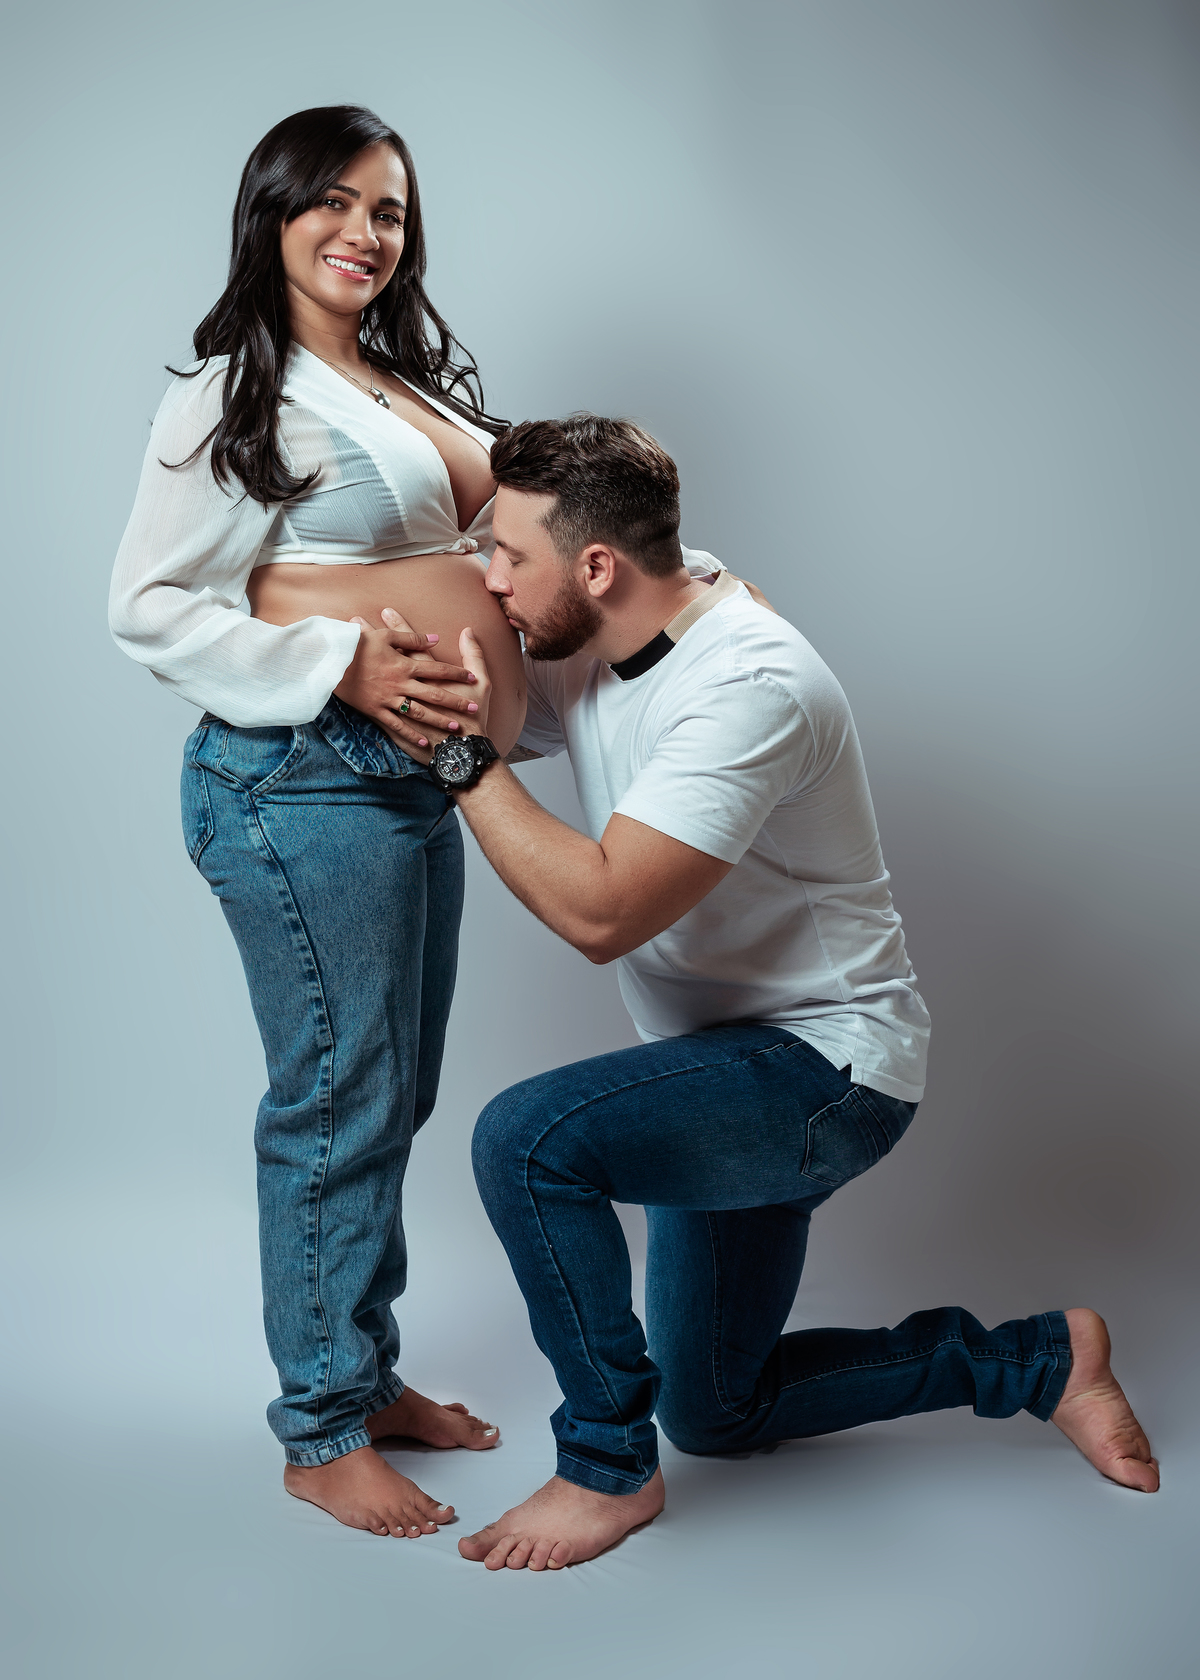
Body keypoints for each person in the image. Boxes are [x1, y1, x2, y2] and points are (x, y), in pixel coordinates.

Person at [380, 414, 1159, 1571]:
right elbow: (499, 666)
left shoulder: (750, 686)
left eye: (510, 556)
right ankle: (1039, 1361)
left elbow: (601, 913)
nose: (488, 579)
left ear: (598, 567)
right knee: (717, 1410)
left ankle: (605, 1467)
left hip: (827, 1073)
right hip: (718, 1064)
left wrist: (459, 760)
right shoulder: (626, 612)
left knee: (525, 1142)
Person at [108, 105, 531, 1539]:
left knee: (391, 1094)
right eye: (332, 203)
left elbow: (485, 541)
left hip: (409, 782)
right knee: (339, 1102)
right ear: (273, 216)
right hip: (299, 783)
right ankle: (321, 1426)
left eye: (389, 210)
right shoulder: (231, 394)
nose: (364, 232)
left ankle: (366, 1371)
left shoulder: (399, 382)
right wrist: (339, 660)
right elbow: (148, 606)